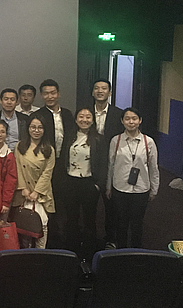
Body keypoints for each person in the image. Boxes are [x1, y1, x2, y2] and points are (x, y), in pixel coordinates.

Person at [106, 108, 159, 248]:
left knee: (137, 223)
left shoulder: (148, 142)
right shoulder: (116, 140)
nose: (131, 122)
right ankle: (121, 251)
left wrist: (154, 188)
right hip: (120, 188)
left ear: (140, 121)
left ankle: (136, 250)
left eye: (134, 118)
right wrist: (108, 186)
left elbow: (153, 167)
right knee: (121, 222)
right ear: (122, 121)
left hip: (141, 188)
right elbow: (111, 165)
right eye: (127, 119)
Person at [59, 108, 107, 259]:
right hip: (71, 182)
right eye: (81, 116)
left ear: (92, 120)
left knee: (89, 219)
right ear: (76, 119)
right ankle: (71, 250)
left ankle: (89, 251)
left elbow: (103, 163)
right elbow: (63, 158)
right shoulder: (69, 136)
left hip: (89, 184)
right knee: (71, 218)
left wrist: (98, 185)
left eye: (88, 117)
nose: (84, 120)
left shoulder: (98, 139)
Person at [36, 79, 75, 248]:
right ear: (41, 95)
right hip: (45, 165)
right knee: (47, 201)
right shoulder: (38, 115)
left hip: (65, 164)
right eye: (46, 93)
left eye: (53, 93)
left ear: (58, 94)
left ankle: (66, 238)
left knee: (65, 202)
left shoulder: (67, 114)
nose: (50, 96)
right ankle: (49, 238)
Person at [13, 114, 55, 248]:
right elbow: (17, 168)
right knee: (25, 227)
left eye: (40, 128)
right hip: (23, 193)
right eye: (33, 127)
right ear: (28, 128)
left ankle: (40, 254)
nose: (36, 130)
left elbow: (47, 173)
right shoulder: (20, 146)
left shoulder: (49, 149)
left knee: (42, 225)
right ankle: (26, 254)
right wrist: (23, 188)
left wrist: (37, 192)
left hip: (40, 194)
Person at [92, 78, 124, 249]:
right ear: (93, 92)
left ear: (110, 93)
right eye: (97, 88)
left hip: (111, 164)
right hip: (89, 165)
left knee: (111, 206)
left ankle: (110, 239)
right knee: (88, 205)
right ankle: (89, 238)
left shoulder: (118, 114)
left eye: (104, 88)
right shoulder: (84, 112)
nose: (100, 91)